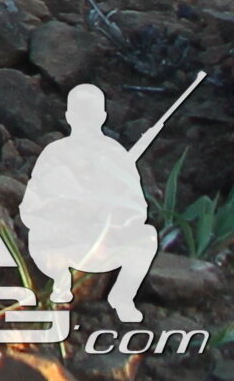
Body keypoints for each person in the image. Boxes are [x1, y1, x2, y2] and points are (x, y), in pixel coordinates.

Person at [21, 82, 161, 320]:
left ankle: (122, 298)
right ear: (69, 117)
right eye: (80, 114)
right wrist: (68, 209)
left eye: (92, 114)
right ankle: (59, 288)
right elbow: (30, 208)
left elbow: (137, 208)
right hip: (63, 239)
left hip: (103, 240)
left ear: (102, 116)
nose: (86, 121)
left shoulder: (116, 156)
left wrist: (112, 213)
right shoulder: (55, 154)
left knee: (146, 237)